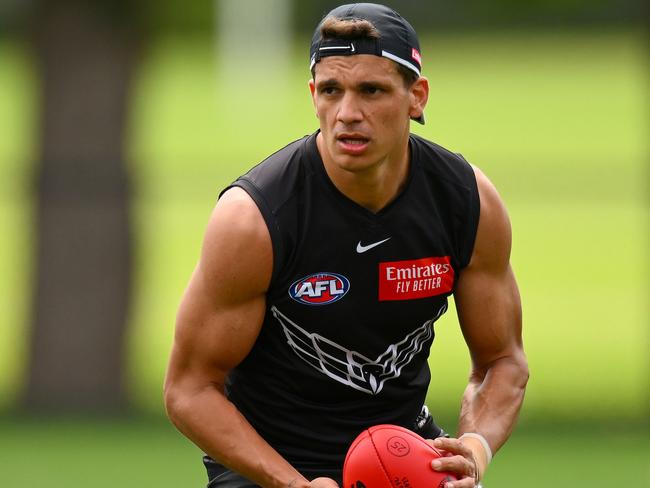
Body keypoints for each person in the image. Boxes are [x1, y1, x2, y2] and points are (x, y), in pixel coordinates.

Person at [164, 3, 529, 488]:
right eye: (332, 91)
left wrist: (473, 450)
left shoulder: (466, 202)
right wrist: (293, 484)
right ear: (314, 94)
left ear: (416, 97)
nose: (348, 114)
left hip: (401, 456)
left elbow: (502, 362)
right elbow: (189, 389)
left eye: (371, 91)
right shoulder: (254, 219)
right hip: (271, 462)